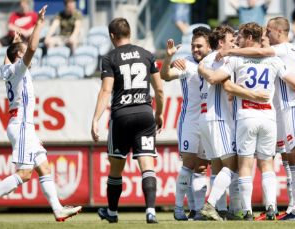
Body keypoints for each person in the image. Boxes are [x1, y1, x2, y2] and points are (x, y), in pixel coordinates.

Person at [199, 22, 295, 221]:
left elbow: (215, 78)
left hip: (246, 116)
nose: (238, 40)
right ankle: (271, 208)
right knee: (267, 165)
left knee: (244, 166)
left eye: (240, 36)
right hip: (268, 118)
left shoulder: (235, 59)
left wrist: (202, 69)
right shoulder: (273, 60)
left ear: (249, 37)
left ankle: (247, 211)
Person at [0, 5, 82, 222]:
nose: (28, 51)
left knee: (43, 166)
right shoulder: (18, 68)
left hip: (23, 126)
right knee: (25, 174)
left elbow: (8, 57)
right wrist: (38, 24)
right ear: (18, 55)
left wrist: (15, 41)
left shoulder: (7, 69)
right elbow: (33, 48)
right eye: (22, 49)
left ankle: (58, 210)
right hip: (22, 125)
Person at [91, 17, 164, 224]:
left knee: (116, 168)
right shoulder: (147, 55)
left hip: (121, 116)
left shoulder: (109, 58)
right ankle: (150, 211)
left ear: (112, 36)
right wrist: (159, 113)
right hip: (144, 113)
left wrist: (95, 119)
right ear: (129, 33)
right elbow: (159, 89)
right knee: (147, 165)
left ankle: (112, 213)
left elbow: (106, 90)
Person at [196, 24, 270, 221]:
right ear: (221, 43)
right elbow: (220, 82)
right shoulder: (221, 59)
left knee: (218, 166)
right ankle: (210, 205)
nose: (235, 44)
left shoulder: (206, 59)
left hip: (205, 118)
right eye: (231, 41)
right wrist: (253, 94)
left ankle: (221, 210)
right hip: (218, 117)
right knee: (235, 165)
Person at [160, 27, 211, 221]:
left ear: (209, 46)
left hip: (208, 121)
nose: (195, 49)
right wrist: (168, 57)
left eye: (199, 46)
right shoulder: (185, 63)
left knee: (201, 169)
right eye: (193, 46)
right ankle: (178, 208)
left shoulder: (215, 61)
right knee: (188, 165)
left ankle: (198, 211)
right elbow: (164, 75)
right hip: (189, 121)